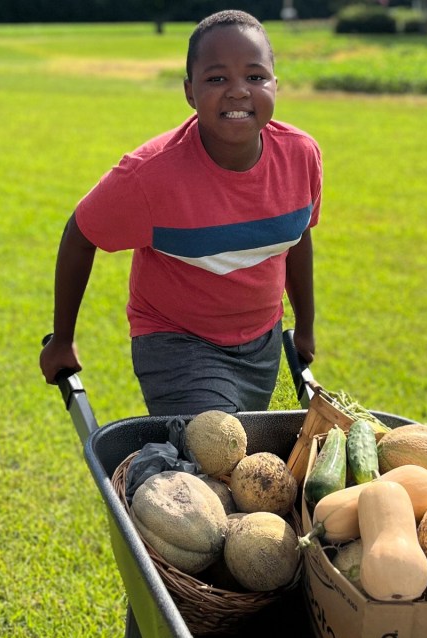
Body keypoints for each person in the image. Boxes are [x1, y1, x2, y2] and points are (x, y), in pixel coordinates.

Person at [40, 9, 321, 416]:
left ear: (276, 85)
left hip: (262, 340)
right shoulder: (150, 176)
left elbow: (297, 237)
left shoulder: (301, 157)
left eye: (255, 77)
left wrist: (306, 329)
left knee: (242, 464)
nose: (239, 91)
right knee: (215, 453)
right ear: (190, 93)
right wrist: (62, 339)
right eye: (217, 78)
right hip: (177, 342)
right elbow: (81, 234)